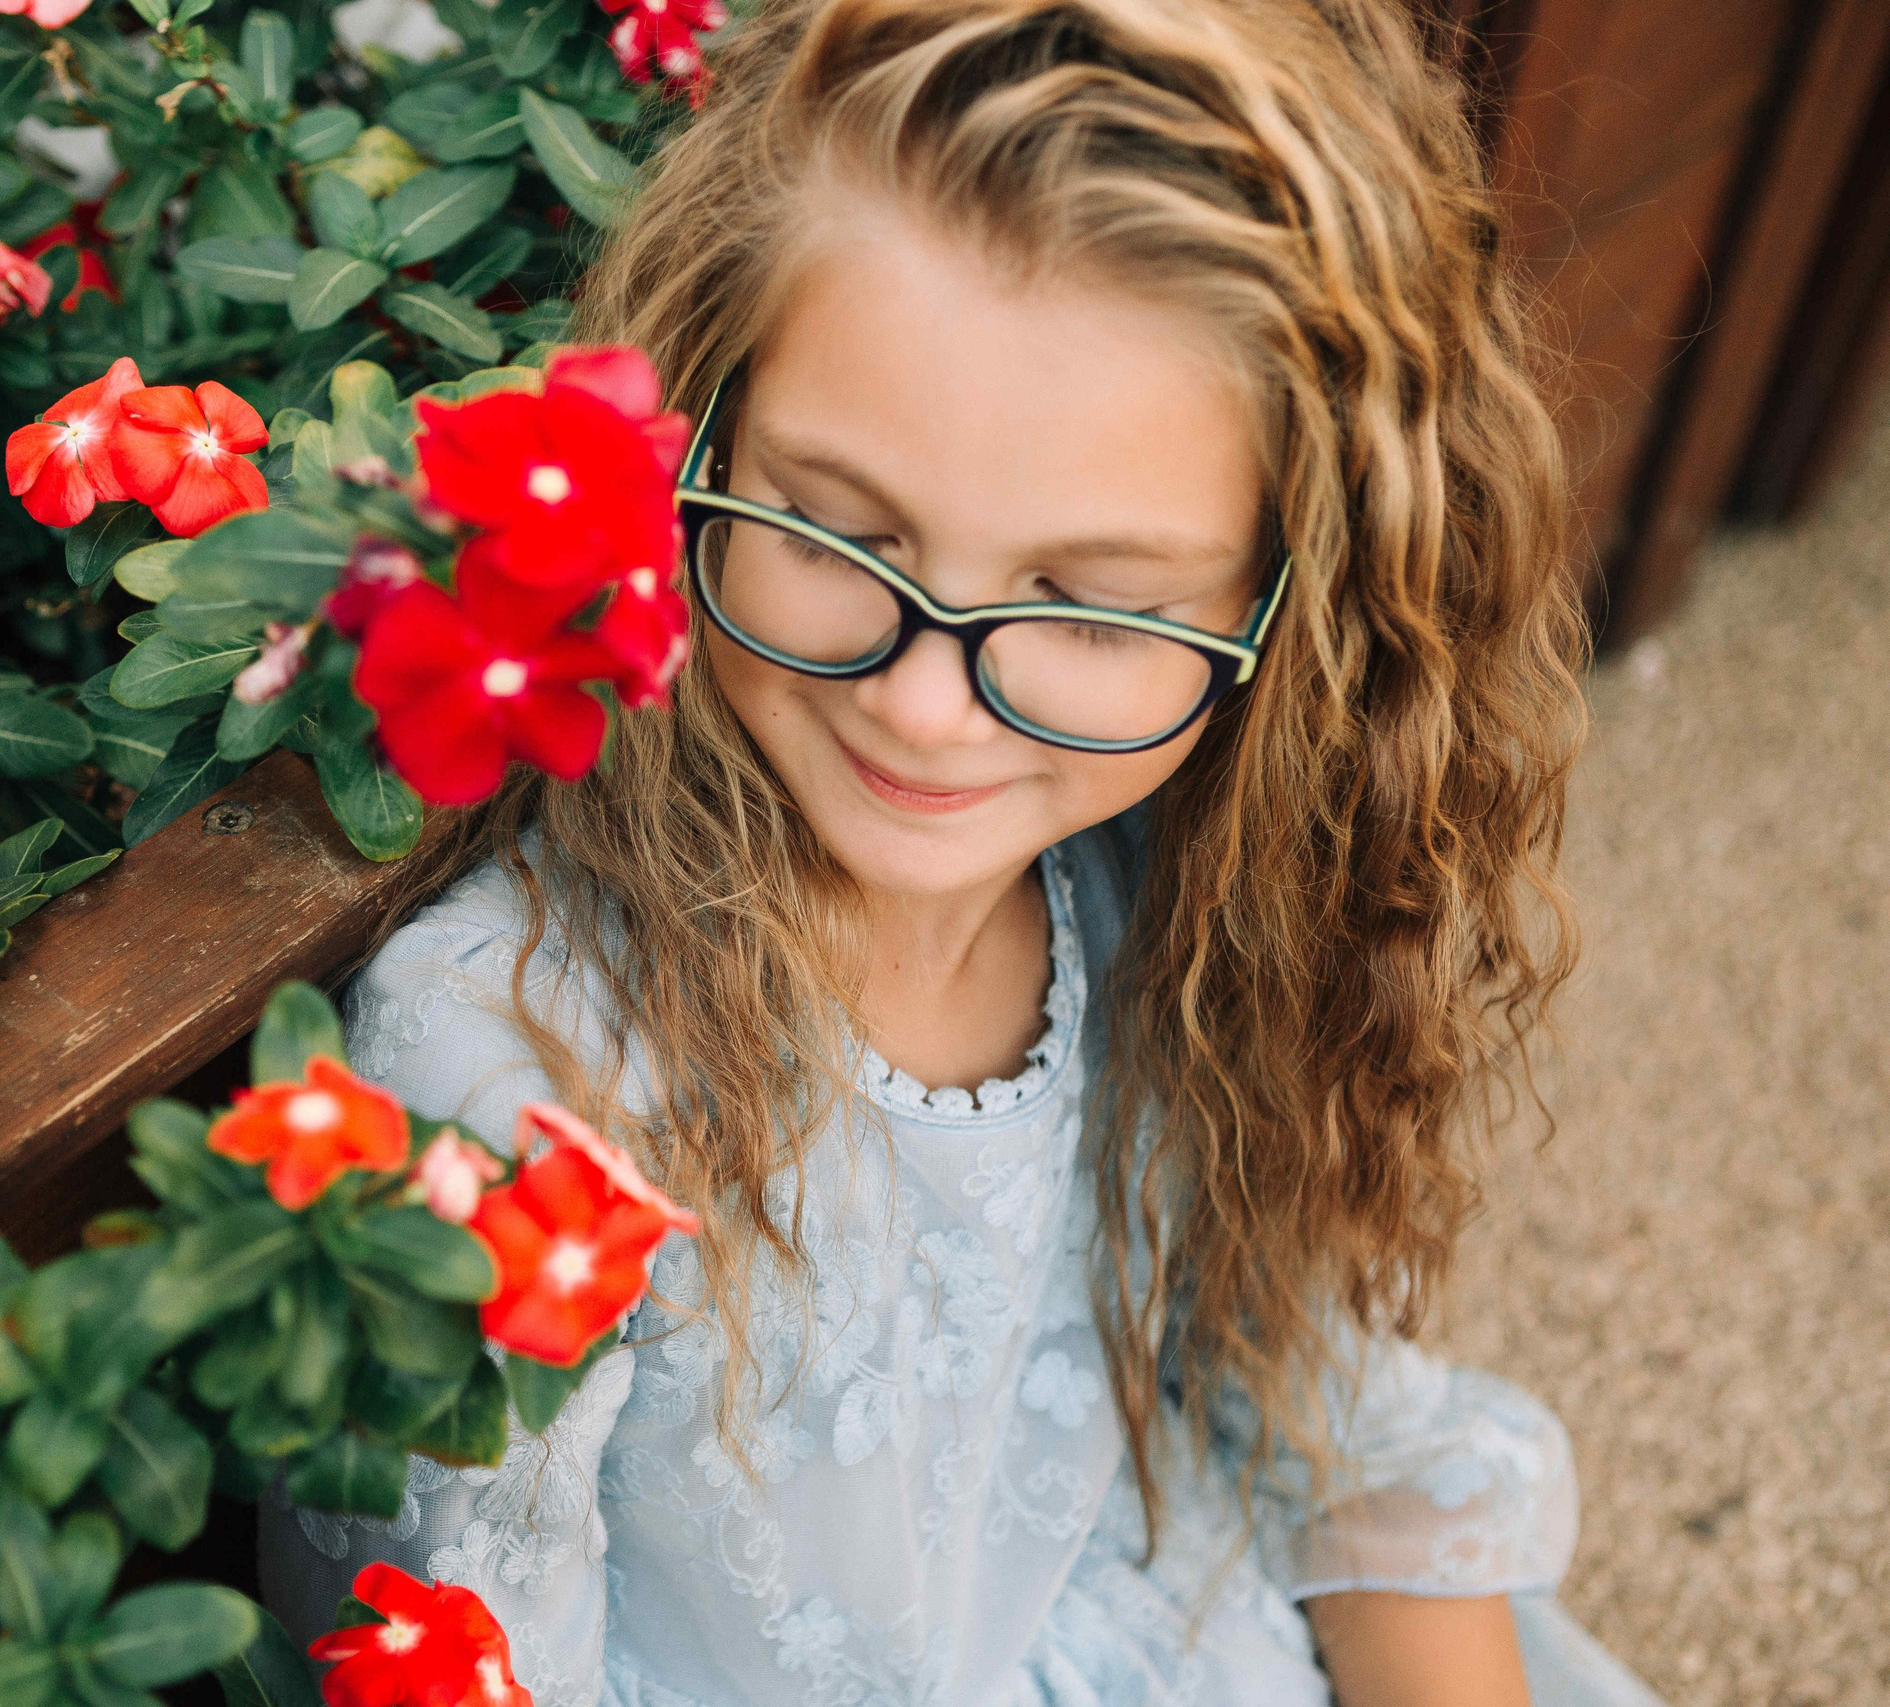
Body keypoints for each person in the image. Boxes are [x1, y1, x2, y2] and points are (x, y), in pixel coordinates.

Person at [259, 0, 1667, 1701]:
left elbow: (1339, 1434)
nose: (926, 710)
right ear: (694, 433)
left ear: (1293, 615)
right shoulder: (510, 1062)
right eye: (834, 530)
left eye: (1093, 608)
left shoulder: (1182, 895)